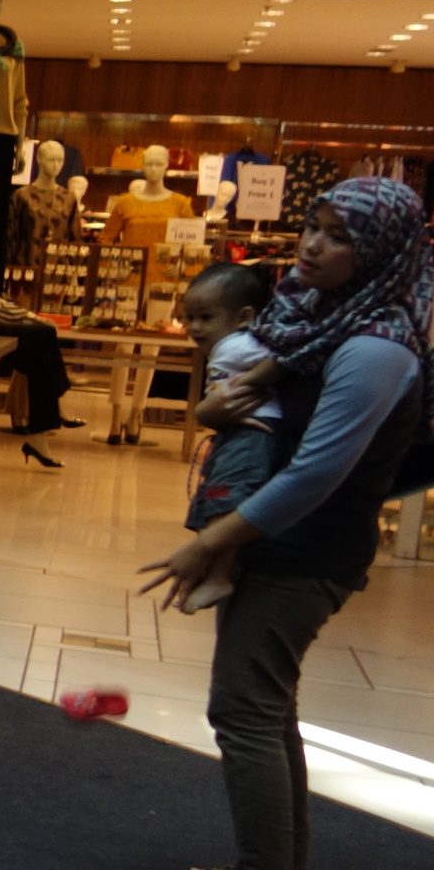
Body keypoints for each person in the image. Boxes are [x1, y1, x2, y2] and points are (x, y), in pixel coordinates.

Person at [140, 179, 431, 870]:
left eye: (339, 236)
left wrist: (212, 540)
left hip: (302, 549)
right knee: (267, 708)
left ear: (381, 254)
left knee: (243, 710)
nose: (312, 245)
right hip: (281, 541)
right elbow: (254, 402)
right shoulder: (326, 320)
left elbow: (315, 474)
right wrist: (213, 410)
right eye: (312, 225)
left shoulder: (374, 348)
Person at [173, 261, 281, 611]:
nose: (194, 327)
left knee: (225, 499)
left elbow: (283, 359)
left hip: (251, 436)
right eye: (189, 318)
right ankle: (211, 571)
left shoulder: (239, 345)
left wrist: (250, 384)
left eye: (206, 317)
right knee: (214, 497)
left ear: (243, 317)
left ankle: (219, 576)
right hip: (238, 433)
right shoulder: (229, 345)